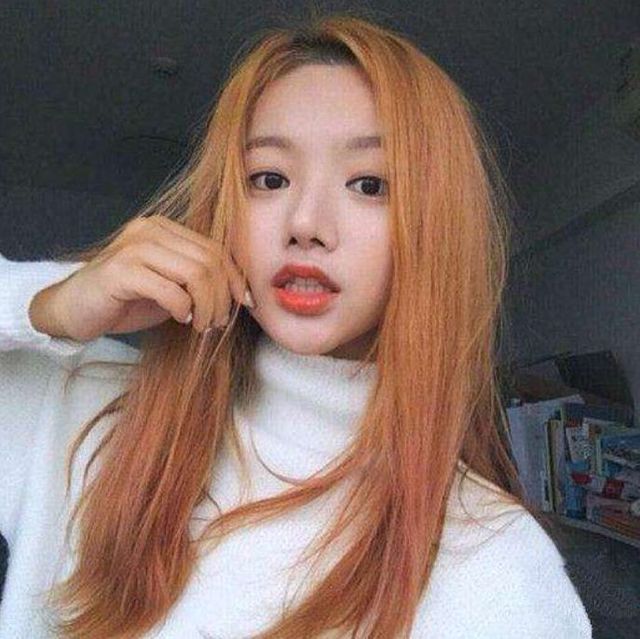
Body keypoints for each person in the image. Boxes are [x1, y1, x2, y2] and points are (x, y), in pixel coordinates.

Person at [0, 10, 592, 639]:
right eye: (270, 179)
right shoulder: (89, 413)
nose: (305, 222)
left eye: (370, 184)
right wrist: (49, 307)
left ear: (436, 226)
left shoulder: (498, 568)